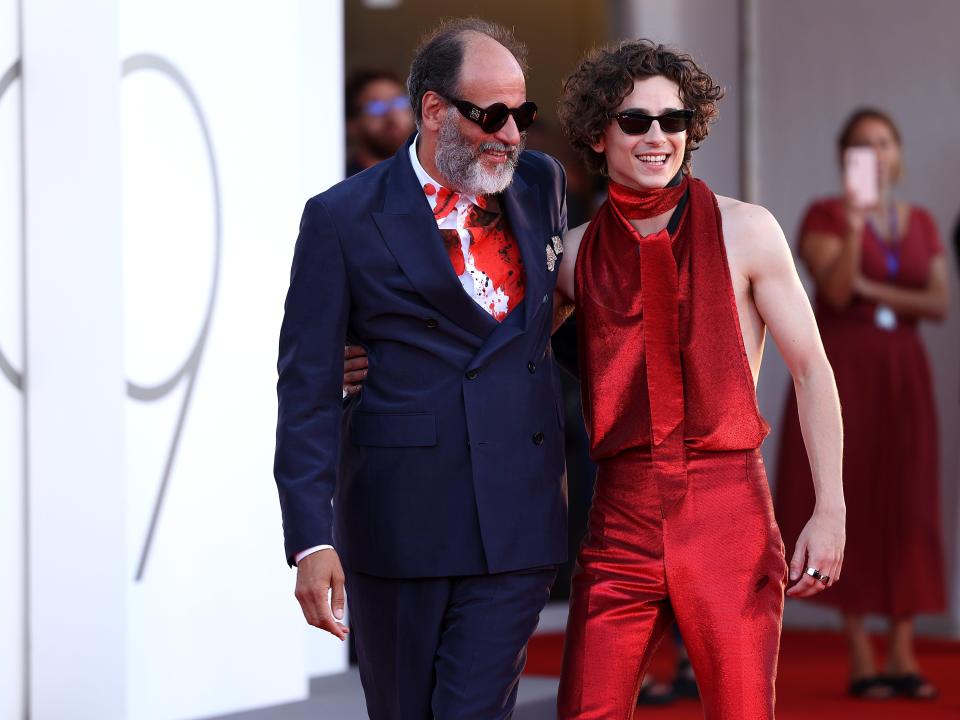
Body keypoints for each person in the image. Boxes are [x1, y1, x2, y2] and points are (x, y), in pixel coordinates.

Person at [273, 18, 570, 719]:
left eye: (520, 114)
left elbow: (544, 322)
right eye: (489, 114)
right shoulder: (342, 217)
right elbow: (307, 386)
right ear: (434, 111)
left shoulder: (541, 183)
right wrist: (311, 537)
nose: (510, 133)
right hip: (401, 519)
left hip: (517, 515)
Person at [552, 40, 846, 719]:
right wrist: (362, 357)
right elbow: (495, 359)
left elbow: (811, 367)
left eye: (673, 121)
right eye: (636, 122)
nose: (658, 137)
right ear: (600, 134)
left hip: (728, 510)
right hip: (618, 514)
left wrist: (829, 508)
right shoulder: (570, 255)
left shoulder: (748, 230)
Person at [774, 108, 949, 701]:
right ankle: (859, 653)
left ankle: (903, 650)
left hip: (903, 374)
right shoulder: (824, 216)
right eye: (860, 147)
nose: (874, 156)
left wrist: (882, 290)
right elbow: (840, 289)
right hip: (843, 370)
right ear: (845, 157)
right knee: (844, 494)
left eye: (883, 144)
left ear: (897, 153)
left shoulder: (919, 221)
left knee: (908, 502)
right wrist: (855, 225)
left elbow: (939, 302)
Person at [345, 68, 416, 176]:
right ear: (352, 125)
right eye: (376, 107)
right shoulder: (341, 183)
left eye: (399, 102)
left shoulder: (432, 177)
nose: (392, 115)